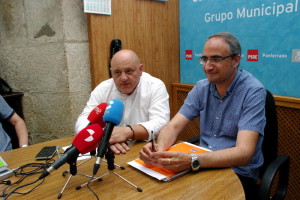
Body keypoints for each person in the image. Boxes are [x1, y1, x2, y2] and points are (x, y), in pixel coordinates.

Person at [139, 32, 266, 200]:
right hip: (201, 163)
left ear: (236, 60)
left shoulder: (253, 91)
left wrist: (193, 160)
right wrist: (159, 149)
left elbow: (244, 153)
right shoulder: (201, 87)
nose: (207, 66)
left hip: (237, 173)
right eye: (204, 59)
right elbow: (173, 126)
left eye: (216, 59)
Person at [75, 49, 170, 155]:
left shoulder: (155, 86)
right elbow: (84, 119)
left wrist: (128, 132)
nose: (123, 78)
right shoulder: (102, 89)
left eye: (129, 71)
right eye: (117, 72)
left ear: (140, 69)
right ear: (111, 72)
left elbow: (161, 122)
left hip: (143, 150)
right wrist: (106, 137)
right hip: (109, 151)